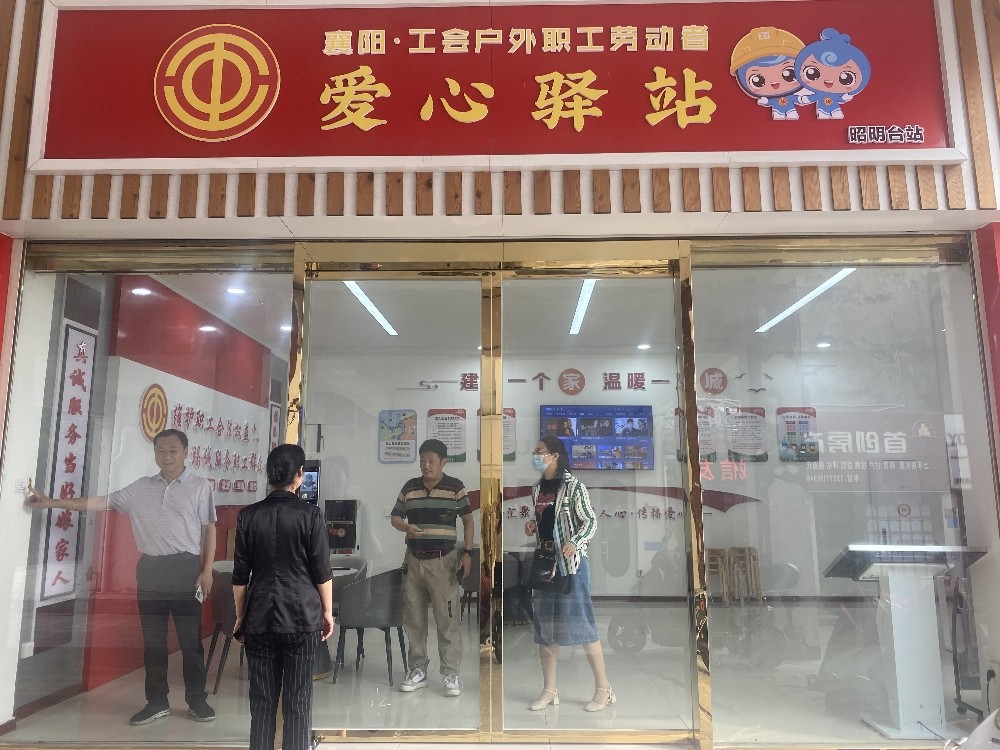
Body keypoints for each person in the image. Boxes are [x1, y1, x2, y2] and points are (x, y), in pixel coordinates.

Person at [26, 429, 216, 725]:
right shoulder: (140, 488)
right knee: (153, 642)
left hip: (186, 570)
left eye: (173, 450)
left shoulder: (200, 486)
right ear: (154, 454)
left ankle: (197, 700)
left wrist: (206, 570)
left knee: (190, 642)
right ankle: (157, 702)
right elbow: (100, 502)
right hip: (150, 570)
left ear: (186, 453)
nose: (166, 456)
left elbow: (209, 528)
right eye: (161, 451)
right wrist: (51, 502)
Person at [232, 444, 334, 750]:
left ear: (269, 475)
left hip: (259, 617)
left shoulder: (247, 516)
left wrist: (241, 617)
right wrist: (327, 612)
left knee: (262, 701)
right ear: (300, 474)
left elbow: (240, 577)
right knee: (298, 699)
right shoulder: (311, 515)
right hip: (302, 617)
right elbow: (322, 572)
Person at [524, 436, 614, 712]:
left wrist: (575, 542)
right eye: (535, 451)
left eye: (540, 451)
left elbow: (590, 521)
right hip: (545, 564)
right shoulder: (537, 488)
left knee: (582, 623)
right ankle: (549, 690)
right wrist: (533, 524)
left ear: (554, 456)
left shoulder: (574, 486)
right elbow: (547, 521)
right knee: (545, 628)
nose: (536, 456)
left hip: (571, 565)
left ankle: (604, 688)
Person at [390, 438, 474, 696]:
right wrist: (405, 527)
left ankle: (450, 674)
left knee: (447, 619)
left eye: (431, 461)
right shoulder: (410, 487)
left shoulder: (455, 487)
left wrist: (468, 553)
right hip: (414, 560)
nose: (426, 465)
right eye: (423, 460)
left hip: (443, 561)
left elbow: (468, 521)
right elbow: (395, 517)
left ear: (443, 462)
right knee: (414, 619)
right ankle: (418, 670)